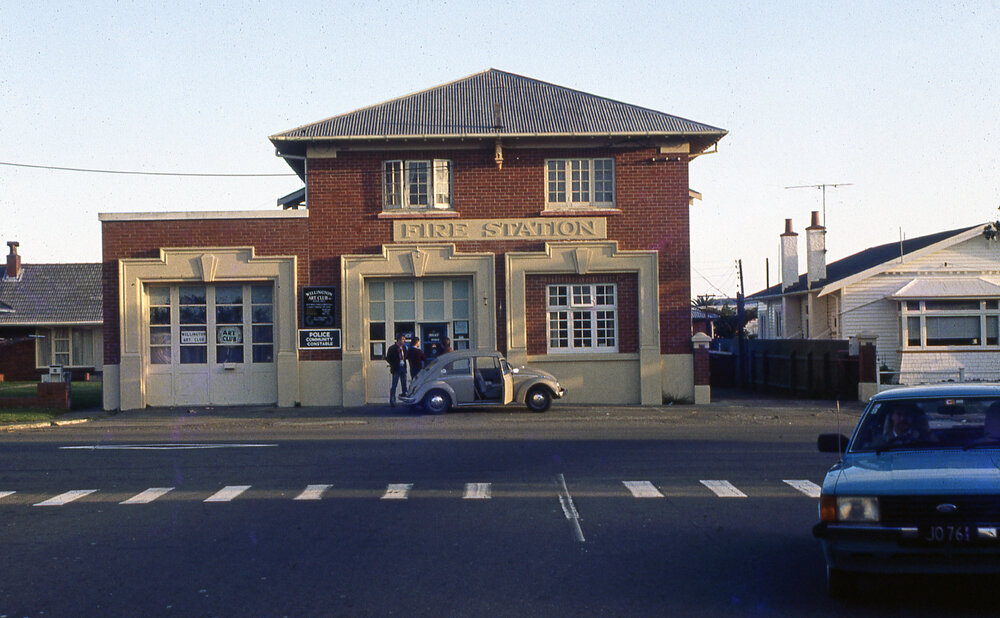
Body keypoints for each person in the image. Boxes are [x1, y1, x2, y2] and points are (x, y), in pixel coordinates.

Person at [385, 335, 408, 407]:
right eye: (403, 339)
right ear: (398, 340)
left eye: (404, 339)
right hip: (396, 368)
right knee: (394, 384)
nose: (404, 341)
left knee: (404, 384)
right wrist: (394, 363)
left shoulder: (404, 348)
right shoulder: (392, 348)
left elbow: (406, 356)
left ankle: (405, 399)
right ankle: (392, 400)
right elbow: (388, 358)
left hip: (403, 367)